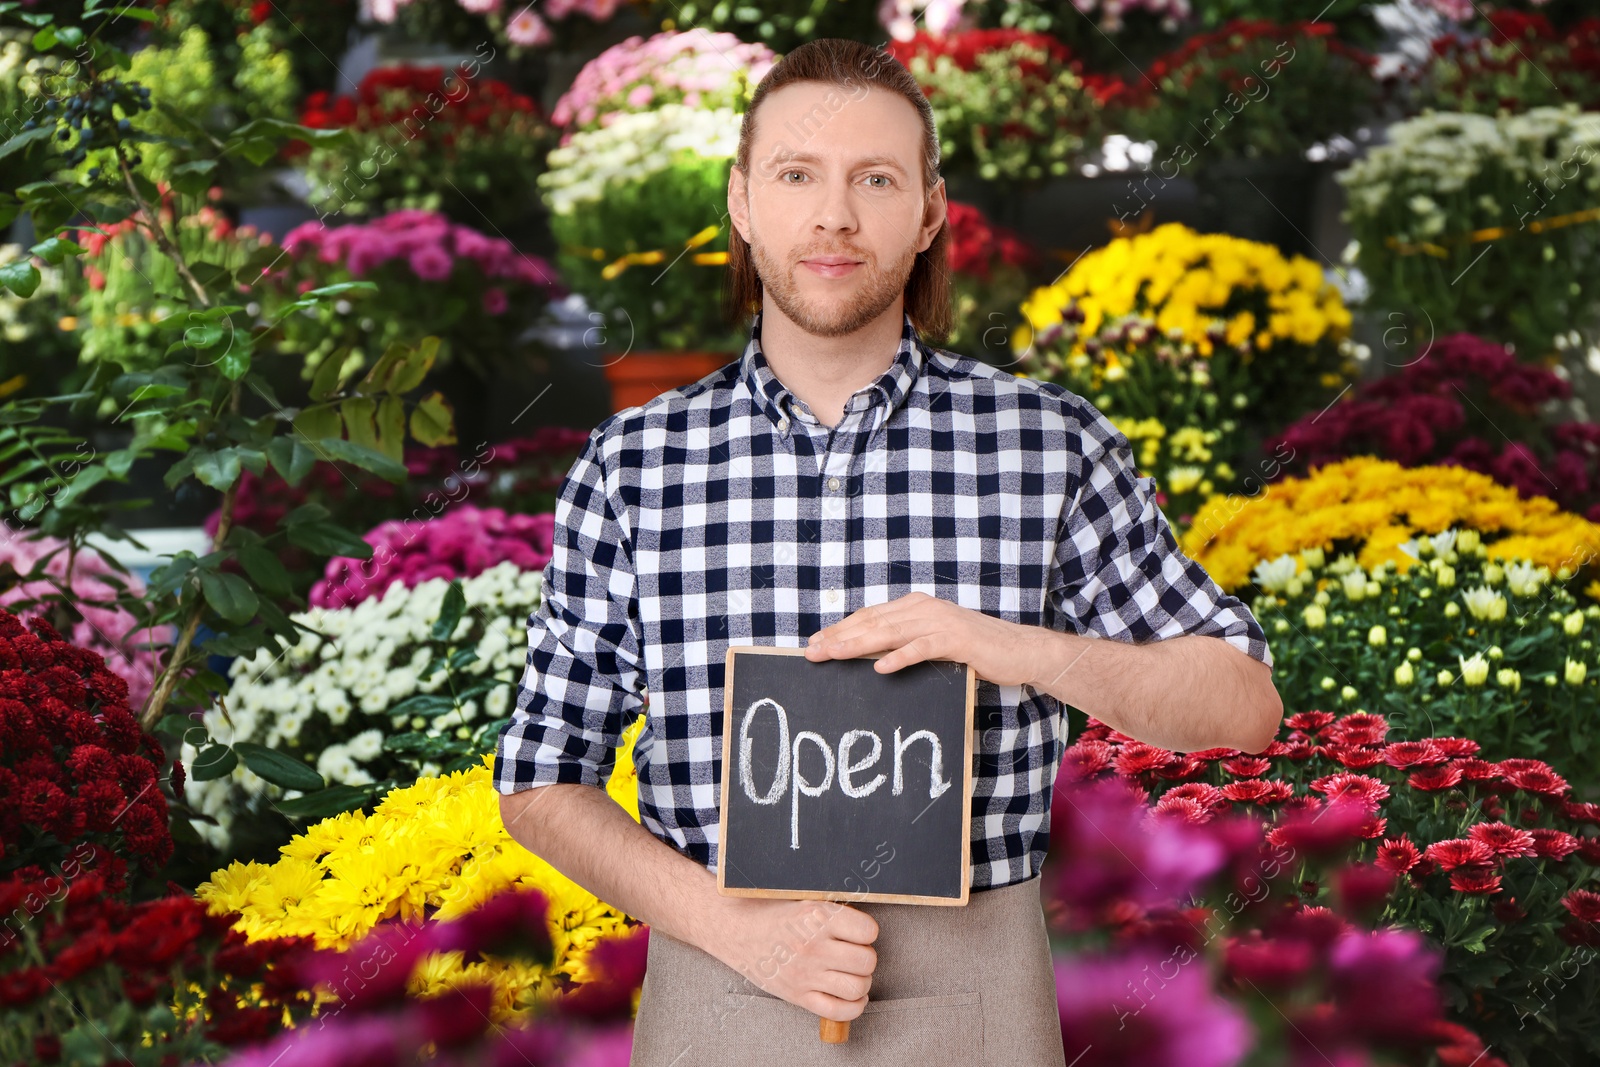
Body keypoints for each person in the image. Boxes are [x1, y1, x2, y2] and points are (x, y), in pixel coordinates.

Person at [494, 37, 1283, 1067]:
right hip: (712, 989)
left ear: (928, 208)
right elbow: (541, 777)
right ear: (741, 202)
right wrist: (741, 930)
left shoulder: (1047, 443)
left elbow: (1243, 703)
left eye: (875, 178)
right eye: (796, 175)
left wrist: (1018, 647)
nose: (833, 215)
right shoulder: (633, 465)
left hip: (977, 991)